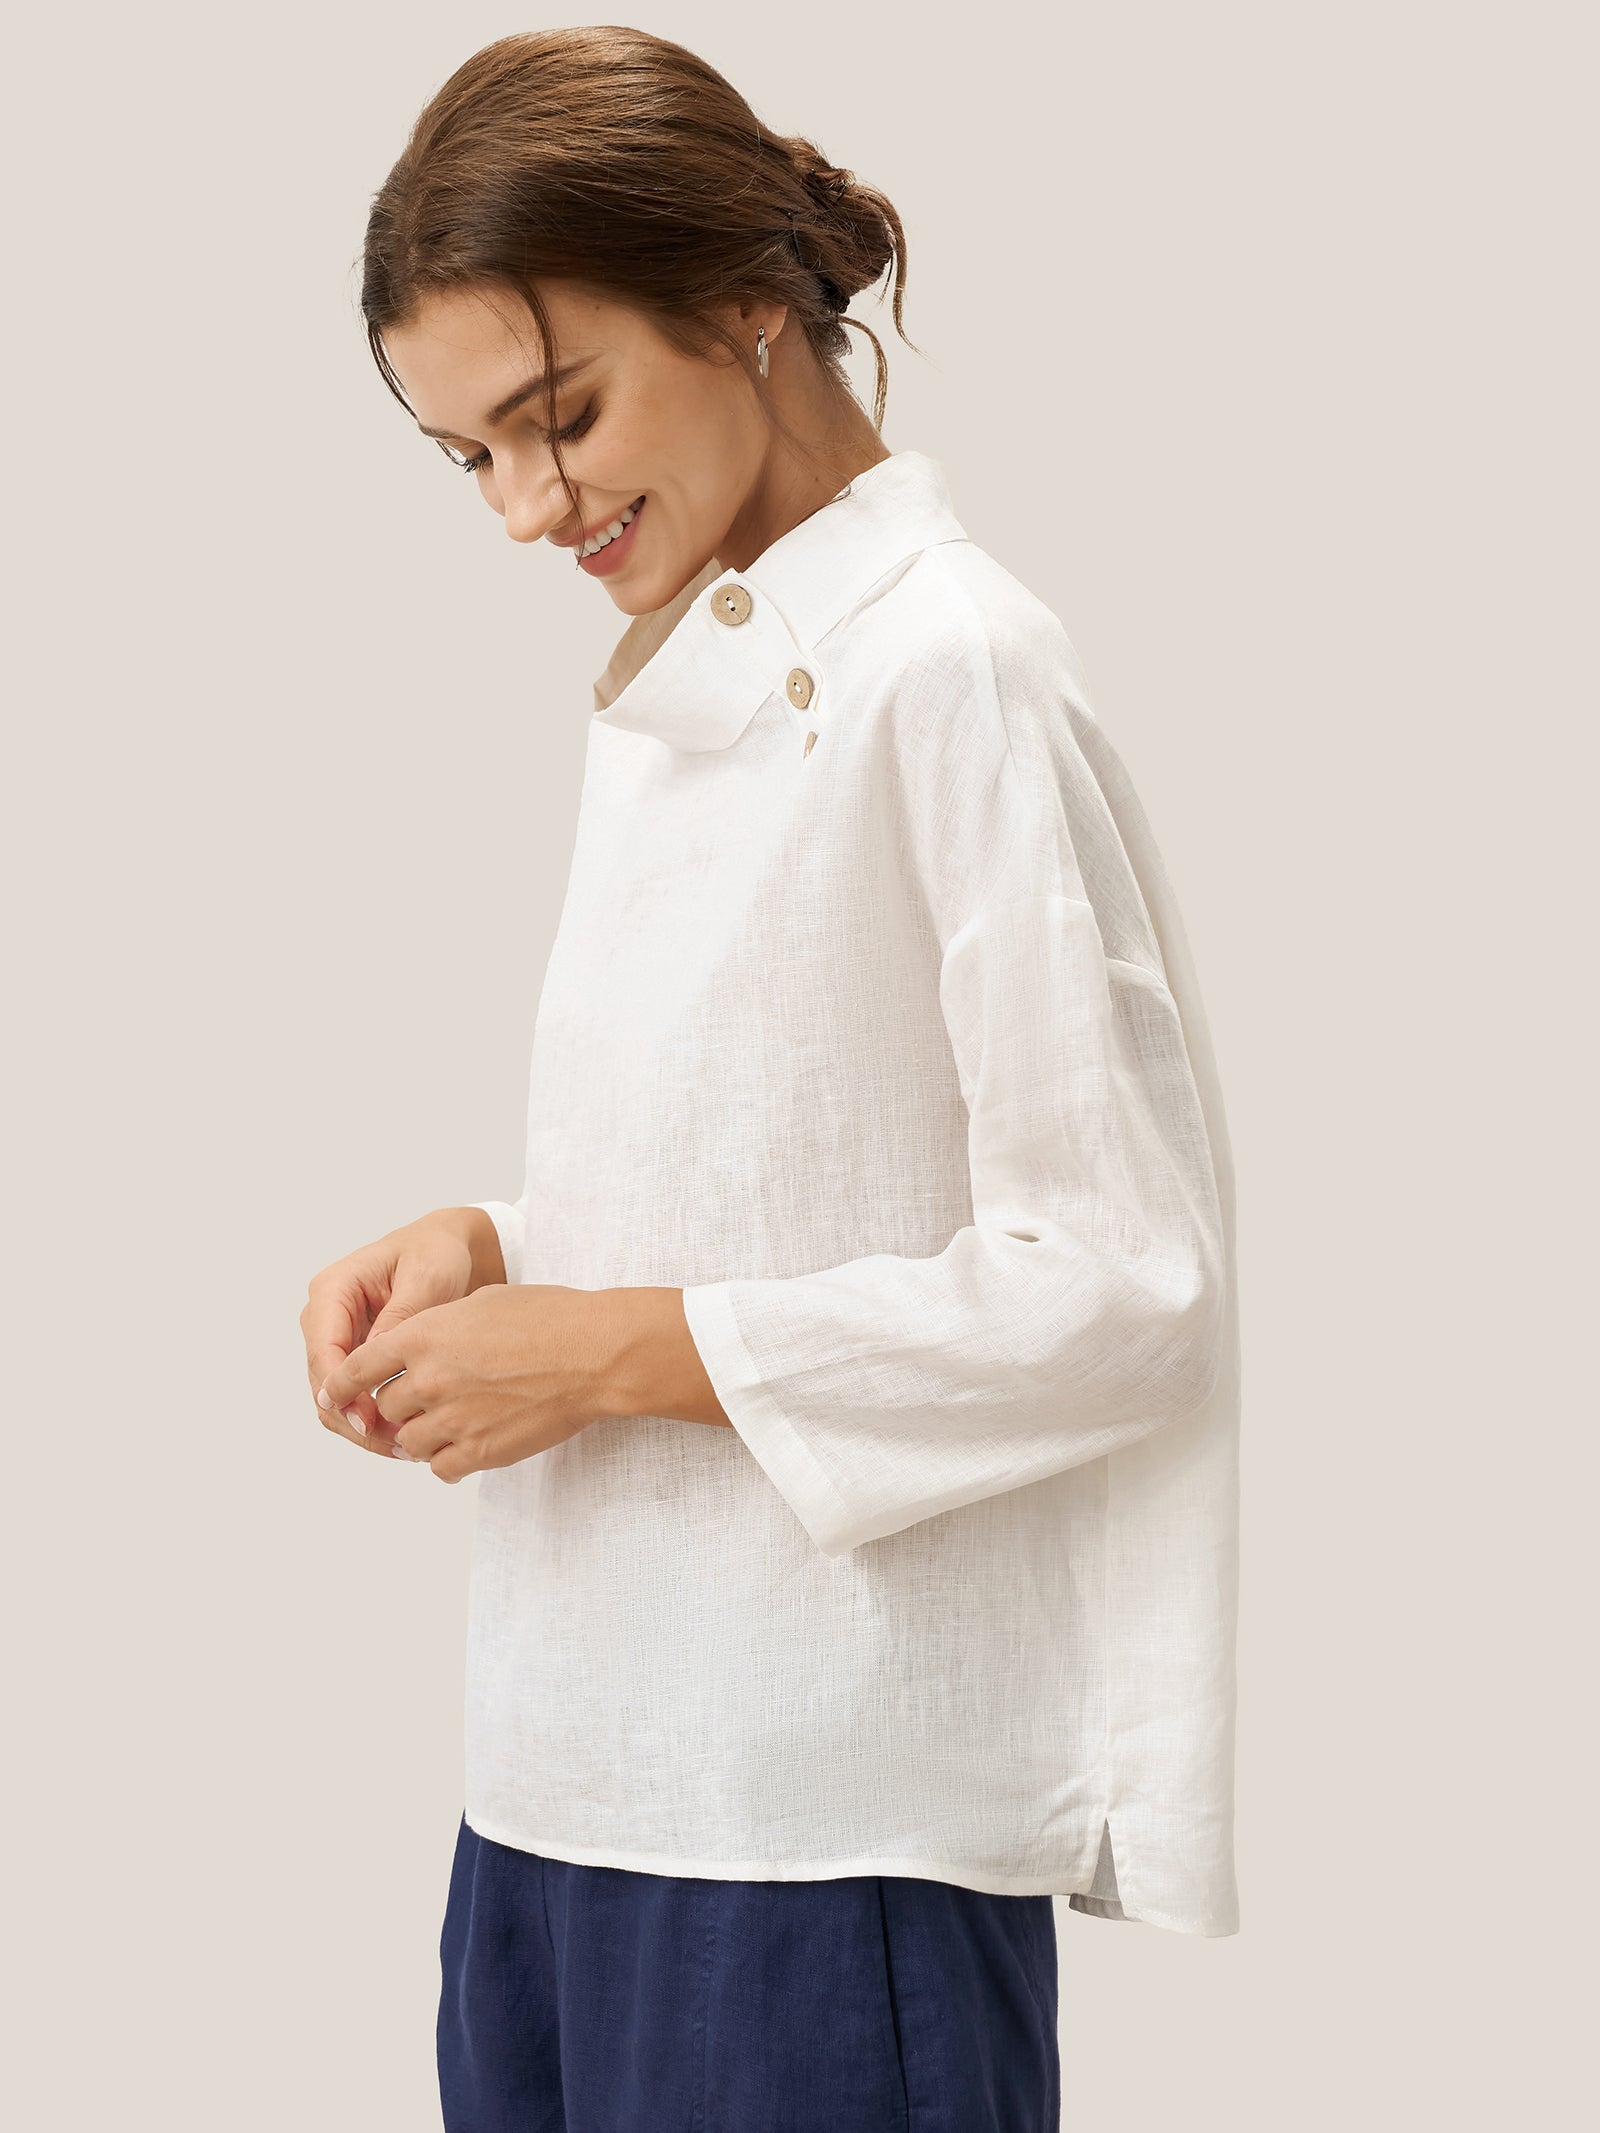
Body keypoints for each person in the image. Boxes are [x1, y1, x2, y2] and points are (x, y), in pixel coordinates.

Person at [303, 24, 1241, 2132]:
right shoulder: (686, 679)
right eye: (468, 458)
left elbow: (1120, 1284)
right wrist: (499, 1253)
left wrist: (601, 1350)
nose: (525, 508)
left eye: (557, 418)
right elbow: (794, 1165)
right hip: (555, 1794)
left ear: (740, 302)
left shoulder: (951, 671)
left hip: (816, 1844)